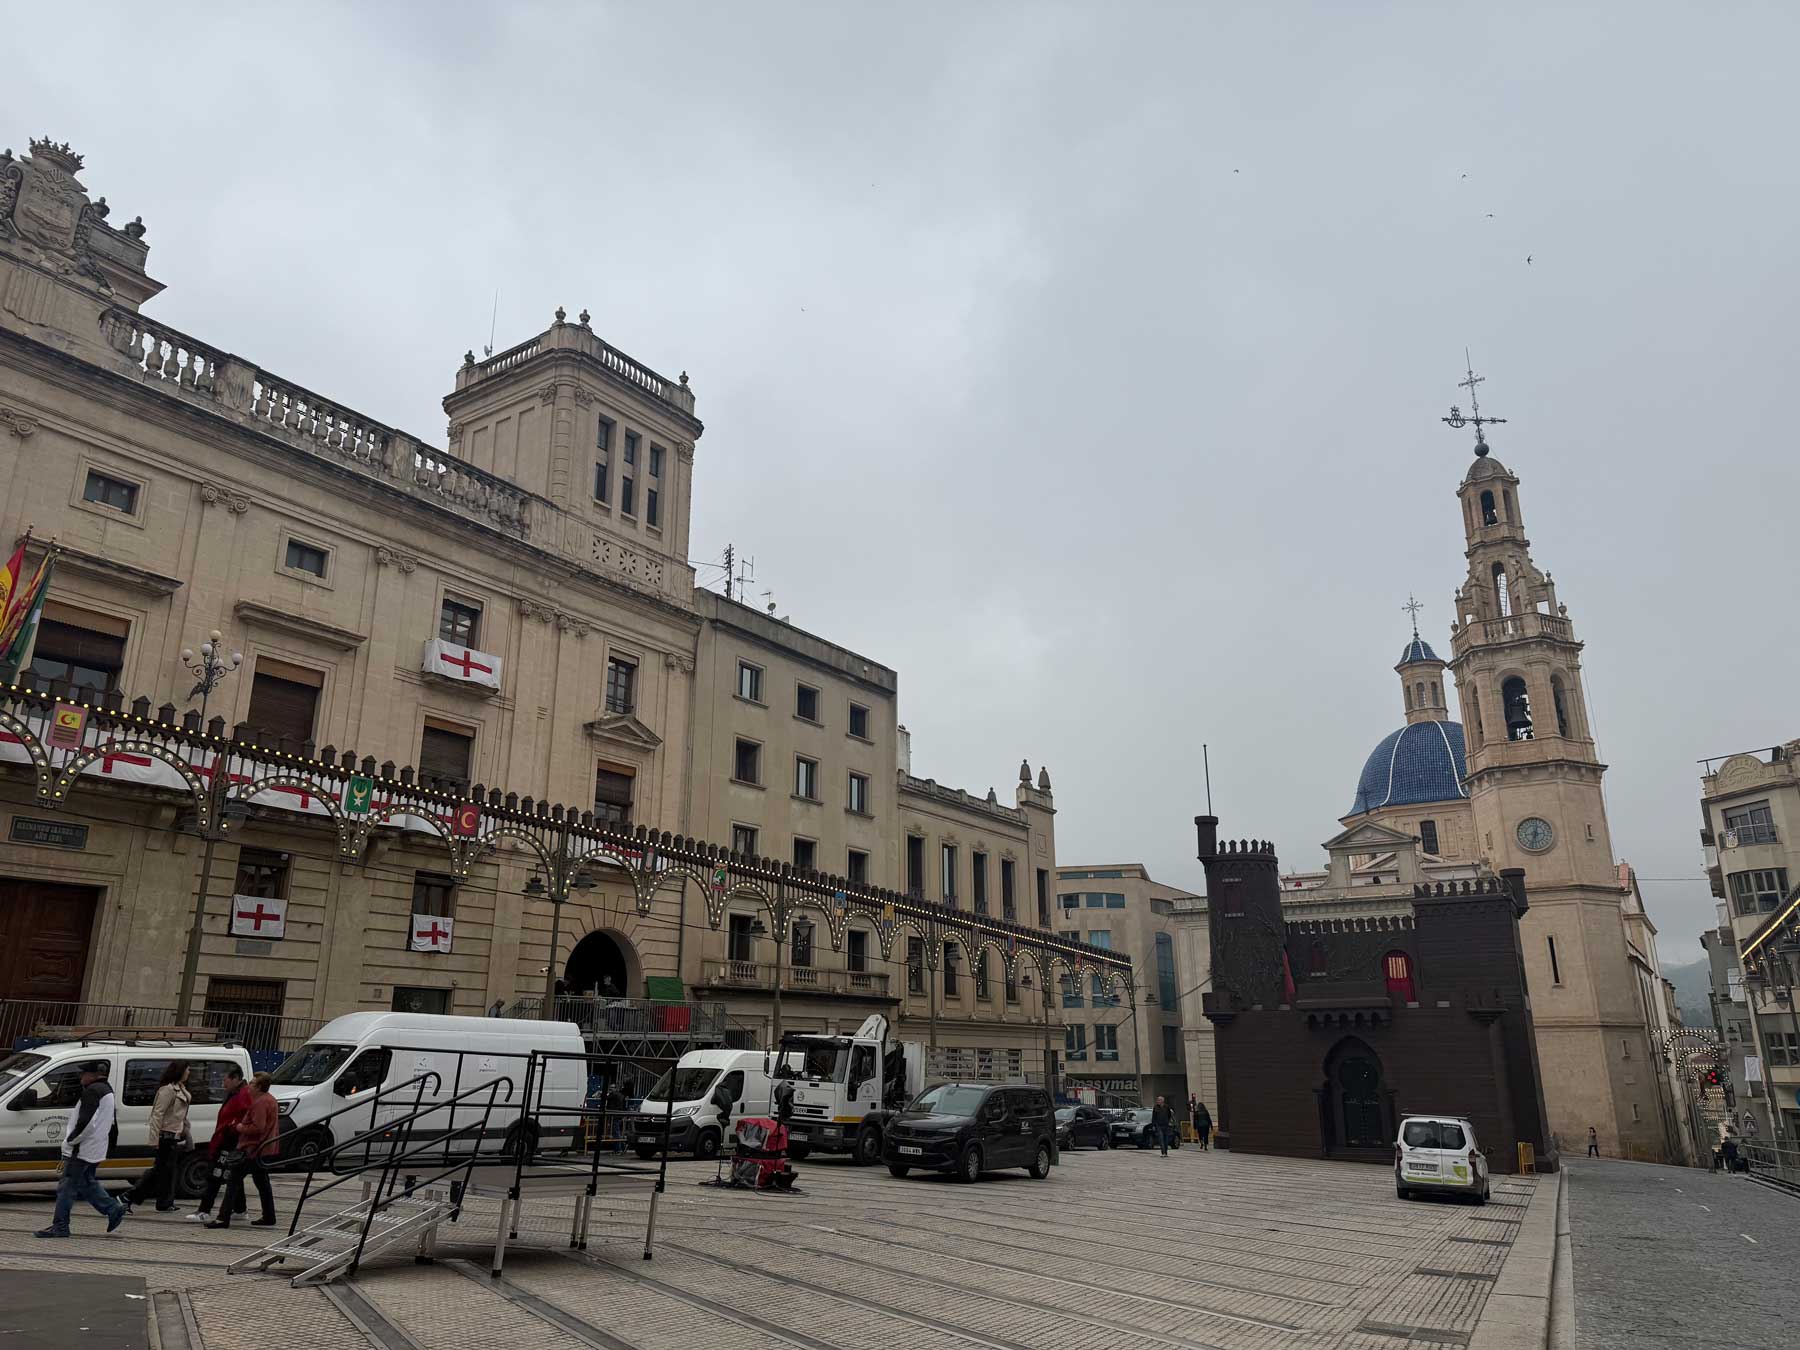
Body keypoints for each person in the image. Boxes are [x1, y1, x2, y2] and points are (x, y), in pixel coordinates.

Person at [35, 1060, 127, 1238]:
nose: (80, 1077)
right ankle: (113, 1208)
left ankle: (60, 1226)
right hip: (95, 1147)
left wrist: (71, 1141)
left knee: (66, 1188)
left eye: (83, 1074)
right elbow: (112, 1122)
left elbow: (86, 1123)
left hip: (82, 1149)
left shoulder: (92, 1092)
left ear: (94, 1075)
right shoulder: (106, 1090)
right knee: (86, 1183)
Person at [207, 1072, 277, 1229]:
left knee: (233, 1180)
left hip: (252, 1149)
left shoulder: (260, 1102)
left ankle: (222, 1218)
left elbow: (259, 1127)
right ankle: (269, 1216)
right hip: (264, 1149)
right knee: (262, 1183)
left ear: (259, 1087)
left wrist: (240, 1127)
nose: (249, 1085)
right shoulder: (270, 1099)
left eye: (252, 1083)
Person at [123, 1061, 192, 1213]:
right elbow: (157, 1115)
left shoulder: (181, 1088)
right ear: (180, 1071)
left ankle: (165, 1202)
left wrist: (187, 1133)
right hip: (166, 1136)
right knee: (159, 1171)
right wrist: (154, 1139)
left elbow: (181, 1117)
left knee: (168, 1172)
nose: (189, 1072)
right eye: (187, 1069)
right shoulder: (167, 1090)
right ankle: (128, 1197)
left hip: (174, 1136)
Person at [191, 1067, 251, 1223]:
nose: (223, 1083)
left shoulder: (242, 1095)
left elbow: (243, 1117)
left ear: (236, 1078)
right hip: (227, 1138)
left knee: (216, 1175)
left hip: (230, 1141)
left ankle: (205, 1210)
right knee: (233, 1177)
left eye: (226, 1079)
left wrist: (231, 1128)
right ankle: (240, 1209)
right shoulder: (235, 1093)